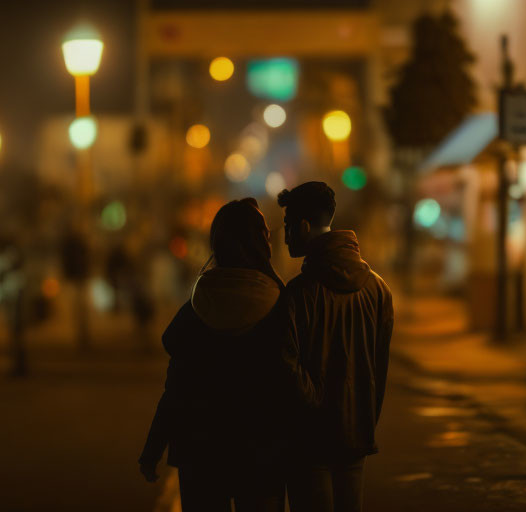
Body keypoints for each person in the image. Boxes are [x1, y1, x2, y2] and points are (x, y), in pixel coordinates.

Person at [139, 198, 319, 512]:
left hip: (200, 454)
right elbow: (293, 382)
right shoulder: (281, 307)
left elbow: (176, 390)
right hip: (263, 453)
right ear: (261, 243)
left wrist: (154, 448)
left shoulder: (196, 308)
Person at [276, 182, 393, 512]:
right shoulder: (378, 289)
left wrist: (314, 405)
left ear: (302, 226)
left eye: (287, 227)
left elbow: (285, 364)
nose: (284, 236)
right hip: (356, 433)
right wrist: (364, 415)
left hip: (309, 441)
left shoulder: (298, 294)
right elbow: (380, 364)